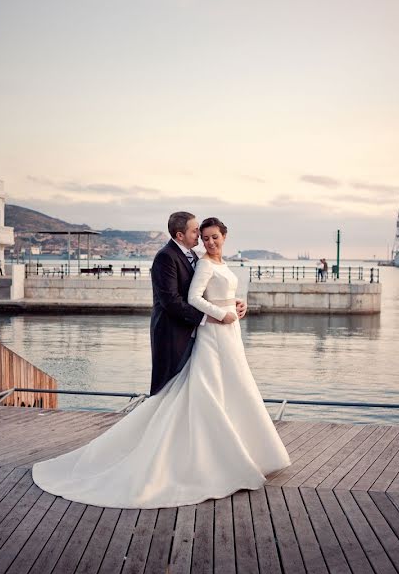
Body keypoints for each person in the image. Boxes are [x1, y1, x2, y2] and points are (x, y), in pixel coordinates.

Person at [32, 216, 291, 509]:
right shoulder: (167, 258)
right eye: (199, 234)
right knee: (196, 391)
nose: (204, 240)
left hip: (221, 332)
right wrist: (217, 316)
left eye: (211, 236)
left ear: (224, 236)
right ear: (182, 234)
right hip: (185, 332)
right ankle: (209, 459)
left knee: (230, 387)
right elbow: (176, 300)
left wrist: (236, 304)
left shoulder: (200, 256)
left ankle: (247, 449)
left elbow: (218, 292)